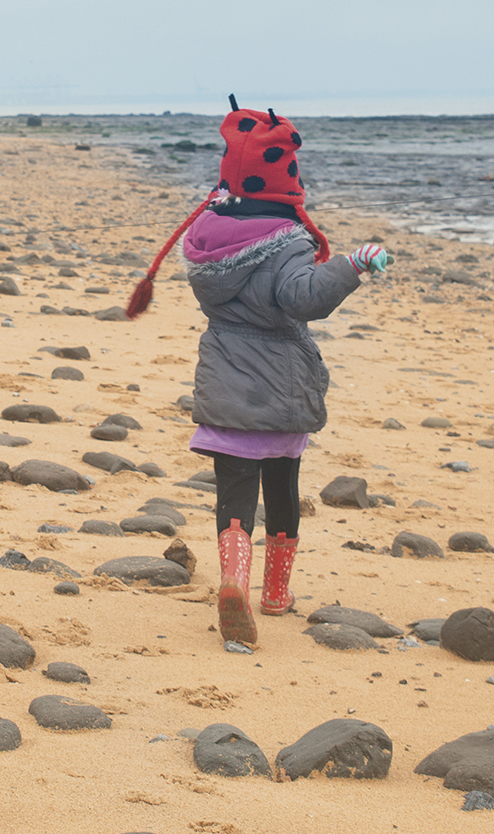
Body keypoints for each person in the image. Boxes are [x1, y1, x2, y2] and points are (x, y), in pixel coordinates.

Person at [125, 99, 390, 647]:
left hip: (224, 377)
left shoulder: (207, 236)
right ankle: (274, 594)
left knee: (234, 488)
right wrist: (353, 264)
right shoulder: (286, 240)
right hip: (280, 385)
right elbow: (301, 298)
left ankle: (233, 580)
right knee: (283, 484)